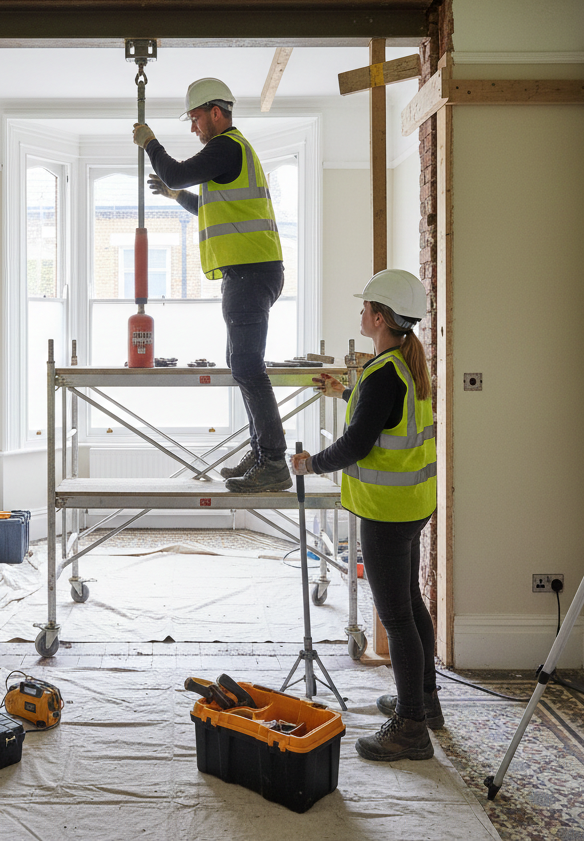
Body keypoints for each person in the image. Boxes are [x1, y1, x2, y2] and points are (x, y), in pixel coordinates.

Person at [292, 269, 440, 761]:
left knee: (396, 618)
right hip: (412, 506)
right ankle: (426, 702)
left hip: (386, 513)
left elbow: (357, 443)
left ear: (378, 318)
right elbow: (380, 413)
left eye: (364, 308)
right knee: (412, 605)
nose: (360, 314)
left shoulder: (383, 375)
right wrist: (343, 391)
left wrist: (310, 463)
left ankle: (411, 727)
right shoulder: (403, 364)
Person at [132, 77, 289, 493]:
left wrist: (150, 143)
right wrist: (175, 197)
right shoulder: (234, 153)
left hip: (250, 274)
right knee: (243, 367)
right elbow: (211, 206)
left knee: (250, 369)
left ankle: (273, 461)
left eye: (197, 118)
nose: (194, 127)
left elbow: (178, 172)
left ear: (216, 113)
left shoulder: (225, 146)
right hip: (252, 273)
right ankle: (261, 452)